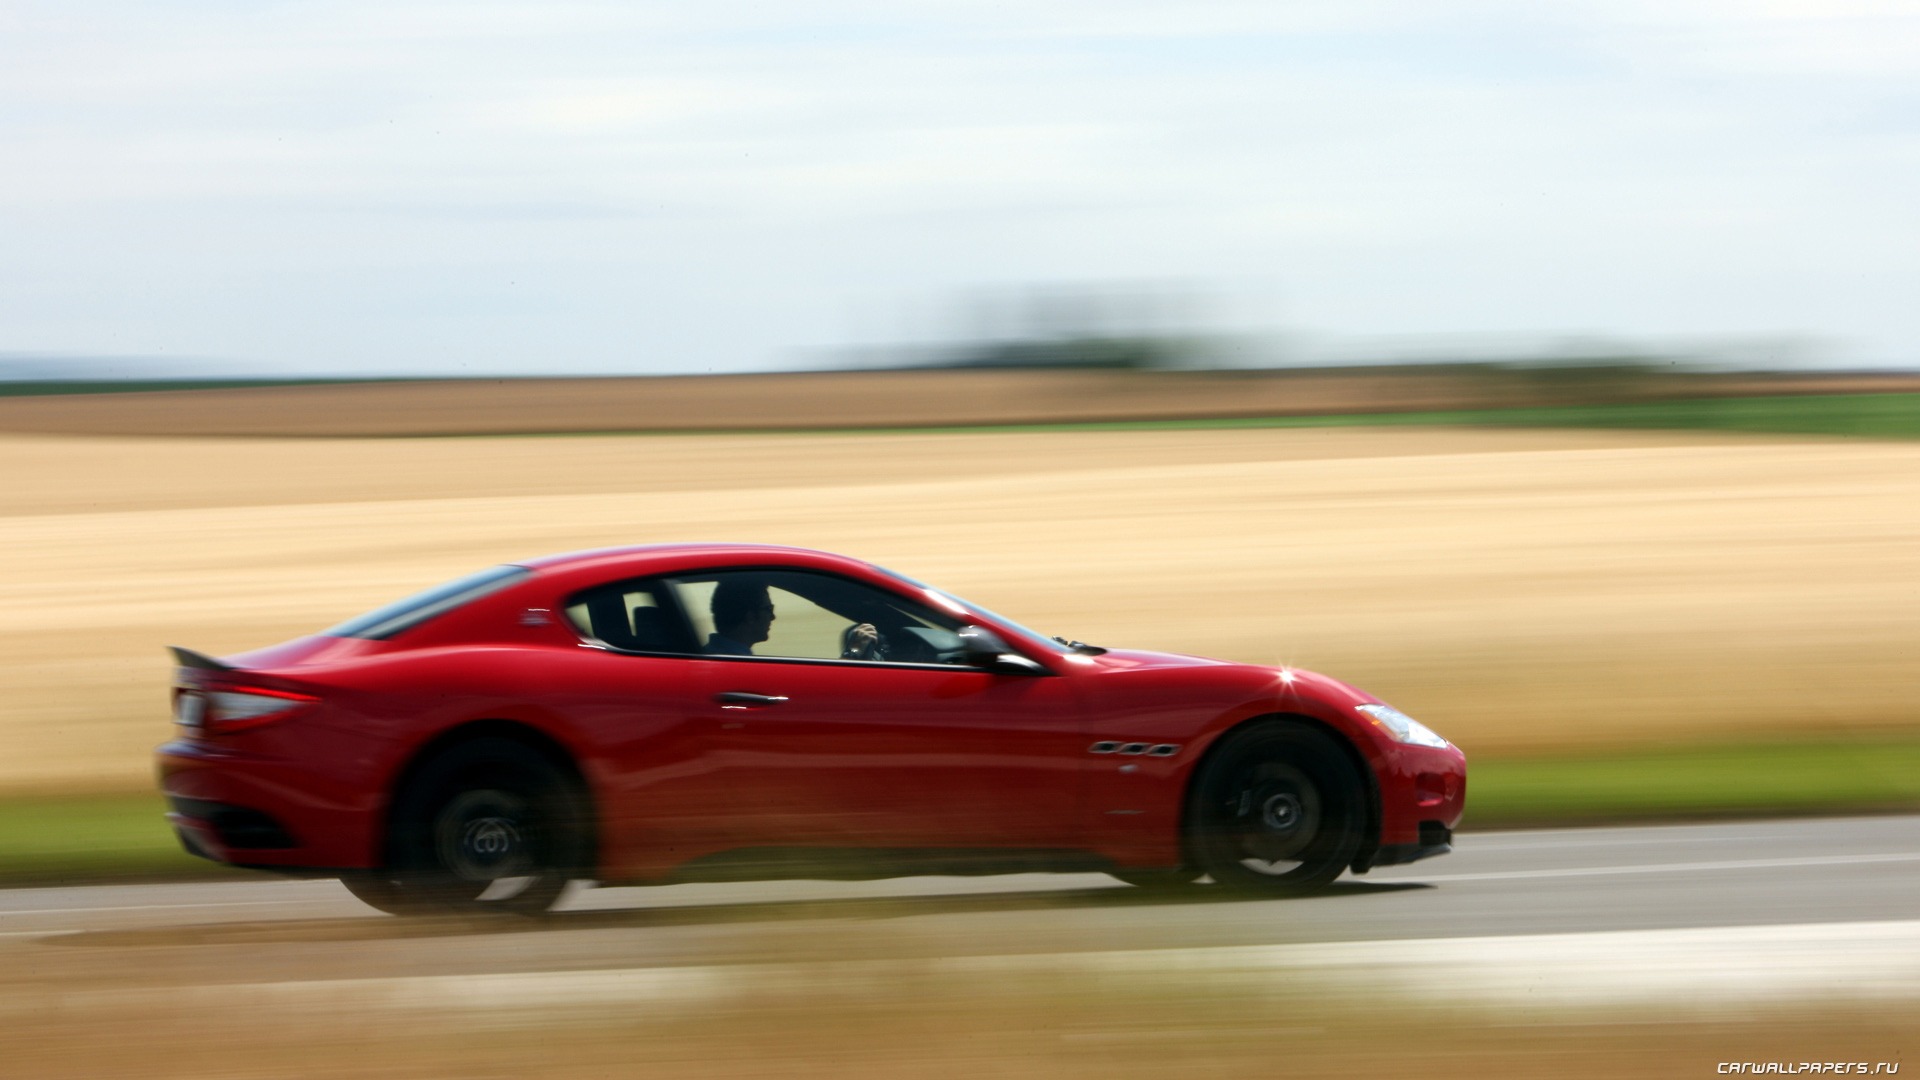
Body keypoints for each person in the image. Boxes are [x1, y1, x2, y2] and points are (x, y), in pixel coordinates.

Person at [706, 579, 775, 656]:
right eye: (769, 609)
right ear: (750, 617)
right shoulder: (735, 661)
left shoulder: (709, 653)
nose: (773, 617)